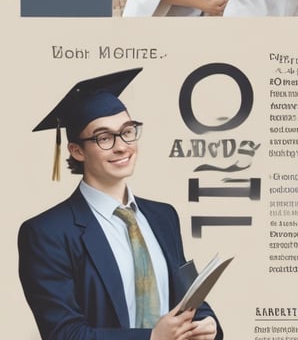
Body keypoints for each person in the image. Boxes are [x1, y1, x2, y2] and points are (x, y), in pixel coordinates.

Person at [18, 68, 223, 340]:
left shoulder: (164, 216)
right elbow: (63, 333)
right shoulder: (47, 233)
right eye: (104, 137)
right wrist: (151, 338)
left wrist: (208, 325)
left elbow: (188, 300)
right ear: (77, 150)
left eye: (127, 131)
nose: (122, 146)